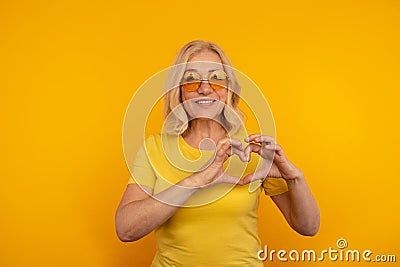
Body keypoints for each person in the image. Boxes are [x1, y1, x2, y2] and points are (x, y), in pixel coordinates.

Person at [115, 40, 320, 266]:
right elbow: (126, 230)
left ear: (229, 89)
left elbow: (308, 227)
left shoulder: (250, 151)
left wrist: (295, 178)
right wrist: (198, 180)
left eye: (217, 79)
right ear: (179, 91)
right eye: (191, 80)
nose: (205, 88)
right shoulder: (155, 148)